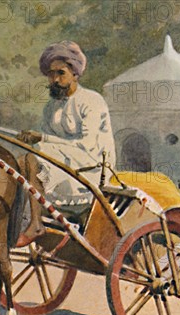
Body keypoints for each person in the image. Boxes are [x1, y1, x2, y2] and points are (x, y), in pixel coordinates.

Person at [15, 41, 116, 247]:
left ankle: (35, 224)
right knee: (20, 161)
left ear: (75, 73)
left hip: (92, 166)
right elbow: (45, 144)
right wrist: (34, 139)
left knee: (33, 160)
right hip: (65, 163)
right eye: (51, 74)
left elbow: (87, 145)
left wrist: (42, 139)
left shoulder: (91, 101)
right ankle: (24, 219)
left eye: (61, 73)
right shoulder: (51, 107)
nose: (55, 80)